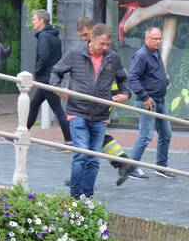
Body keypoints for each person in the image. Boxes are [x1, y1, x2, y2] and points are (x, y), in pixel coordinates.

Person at [49, 24, 130, 199]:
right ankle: (75, 197)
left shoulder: (113, 58)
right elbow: (56, 72)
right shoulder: (75, 54)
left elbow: (123, 79)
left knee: (93, 159)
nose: (105, 48)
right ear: (92, 39)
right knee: (82, 154)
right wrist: (58, 89)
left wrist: (125, 94)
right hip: (77, 111)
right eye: (102, 43)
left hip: (100, 115)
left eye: (108, 44)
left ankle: (88, 197)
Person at [126, 27, 173, 179]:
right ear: (147, 39)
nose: (158, 41)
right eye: (155, 38)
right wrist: (144, 97)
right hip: (148, 102)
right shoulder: (142, 55)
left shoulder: (155, 53)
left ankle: (161, 167)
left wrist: (164, 79)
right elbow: (132, 78)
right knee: (146, 135)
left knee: (166, 134)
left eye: (160, 38)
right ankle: (131, 167)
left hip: (160, 100)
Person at [23, 9, 72, 145]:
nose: (32, 21)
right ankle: (22, 133)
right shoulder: (54, 36)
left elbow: (44, 57)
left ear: (41, 21)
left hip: (46, 79)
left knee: (58, 110)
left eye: (34, 19)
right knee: (34, 105)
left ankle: (70, 140)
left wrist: (37, 72)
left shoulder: (44, 36)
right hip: (51, 78)